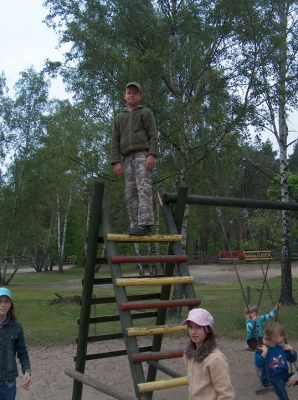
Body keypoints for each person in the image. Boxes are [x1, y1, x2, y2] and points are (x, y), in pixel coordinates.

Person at [110, 82, 158, 236]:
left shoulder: (145, 113)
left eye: (135, 93)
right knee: (130, 191)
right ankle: (135, 224)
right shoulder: (119, 117)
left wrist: (152, 154)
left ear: (140, 96)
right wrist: (116, 161)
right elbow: (114, 141)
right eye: (129, 93)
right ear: (125, 96)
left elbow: (153, 135)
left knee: (143, 187)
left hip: (142, 155)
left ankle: (145, 224)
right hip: (126, 157)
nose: (132, 95)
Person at [182, 308, 235, 399]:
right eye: (190, 327)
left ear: (208, 329)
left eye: (198, 326)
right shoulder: (189, 355)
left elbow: (226, 395)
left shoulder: (215, 359)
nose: (193, 332)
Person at [0, 287, 31, 399]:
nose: (3, 304)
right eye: (0, 301)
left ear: (10, 305)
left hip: (8, 382)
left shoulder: (16, 326)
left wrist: (27, 370)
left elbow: (22, 352)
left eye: (6, 301)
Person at [255, 322, 297, 400]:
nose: (283, 337)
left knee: (295, 377)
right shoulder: (262, 350)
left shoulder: (282, 349)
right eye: (281, 336)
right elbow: (258, 364)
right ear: (274, 337)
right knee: (278, 382)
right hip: (269, 378)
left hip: (283, 375)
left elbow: (293, 360)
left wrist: (291, 350)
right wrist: (264, 353)